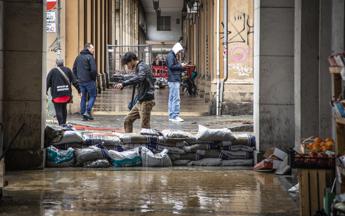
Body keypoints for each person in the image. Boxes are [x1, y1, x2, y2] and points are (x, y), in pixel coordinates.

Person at [114, 52, 155, 133]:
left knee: (145, 127)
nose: (127, 66)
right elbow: (137, 78)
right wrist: (123, 84)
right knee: (127, 120)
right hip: (141, 100)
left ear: (132, 60)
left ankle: (148, 144)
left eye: (127, 64)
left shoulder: (142, 66)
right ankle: (129, 141)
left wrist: (124, 83)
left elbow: (140, 77)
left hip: (146, 101)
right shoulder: (139, 67)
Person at [47, 58, 80, 126]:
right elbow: (74, 81)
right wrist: (79, 90)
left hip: (56, 94)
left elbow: (47, 82)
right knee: (64, 108)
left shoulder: (52, 71)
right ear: (63, 63)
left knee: (58, 109)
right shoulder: (68, 70)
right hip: (66, 94)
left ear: (56, 63)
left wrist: (45, 91)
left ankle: (61, 124)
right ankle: (64, 123)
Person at [73, 43, 97, 121]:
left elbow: (74, 69)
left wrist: (77, 79)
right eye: (92, 48)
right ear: (88, 48)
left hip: (80, 82)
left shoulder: (78, 57)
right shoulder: (90, 57)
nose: (93, 50)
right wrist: (93, 78)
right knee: (93, 96)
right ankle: (88, 111)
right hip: (89, 81)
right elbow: (93, 70)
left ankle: (84, 115)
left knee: (83, 97)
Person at [166, 42, 186, 122]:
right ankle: (175, 115)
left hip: (172, 79)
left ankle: (171, 115)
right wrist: (181, 66)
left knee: (172, 98)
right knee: (176, 98)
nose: (179, 53)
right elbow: (171, 66)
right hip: (174, 79)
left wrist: (182, 67)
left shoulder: (171, 55)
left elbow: (173, 66)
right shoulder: (171, 56)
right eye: (179, 51)